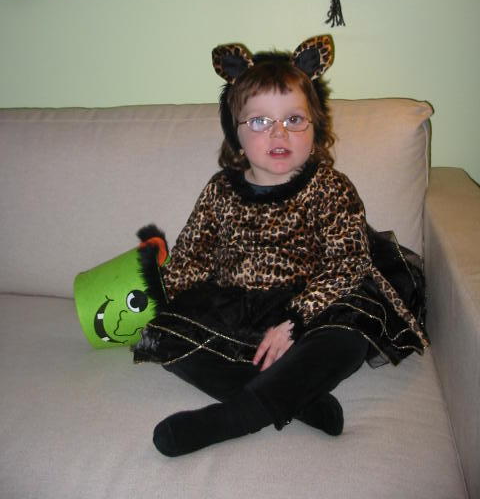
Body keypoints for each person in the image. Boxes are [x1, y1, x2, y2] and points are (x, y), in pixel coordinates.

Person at [133, 35, 428, 457]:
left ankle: (235, 417)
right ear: (235, 133)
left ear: (315, 127)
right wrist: (161, 293)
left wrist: (296, 320)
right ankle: (300, 402)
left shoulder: (329, 187)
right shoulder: (219, 190)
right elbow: (193, 256)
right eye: (259, 121)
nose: (278, 132)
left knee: (349, 337)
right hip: (237, 308)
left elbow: (348, 261)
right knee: (169, 340)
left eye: (293, 119)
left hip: (313, 305)